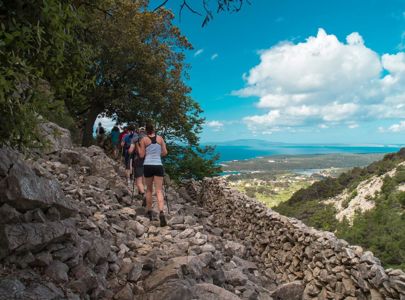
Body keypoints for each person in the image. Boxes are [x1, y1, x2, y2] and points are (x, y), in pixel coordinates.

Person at [138, 123, 168, 227]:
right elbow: (165, 152)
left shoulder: (144, 140)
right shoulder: (160, 139)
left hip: (148, 165)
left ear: (146, 130)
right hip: (158, 165)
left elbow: (142, 155)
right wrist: (157, 154)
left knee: (149, 190)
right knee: (159, 190)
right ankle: (161, 212)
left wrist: (139, 147)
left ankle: (149, 211)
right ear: (154, 130)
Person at [128, 127, 145, 205]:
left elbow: (130, 150)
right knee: (144, 178)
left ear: (138, 131)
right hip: (148, 161)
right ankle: (143, 192)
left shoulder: (135, 138)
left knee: (138, 180)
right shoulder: (149, 140)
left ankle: (143, 194)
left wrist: (130, 151)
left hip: (138, 161)